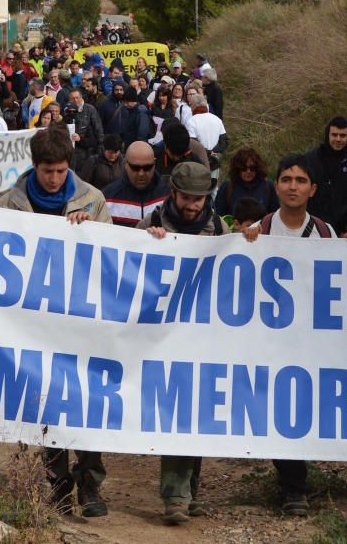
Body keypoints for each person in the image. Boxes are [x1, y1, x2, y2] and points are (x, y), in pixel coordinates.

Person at [0, 125, 111, 517]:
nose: (55, 178)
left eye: (61, 171)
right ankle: (57, 481)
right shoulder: (7, 204)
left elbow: (112, 258)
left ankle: (91, 482)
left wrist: (89, 230)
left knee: (86, 401)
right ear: (34, 165)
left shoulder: (92, 200)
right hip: (33, 325)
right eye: (48, 171)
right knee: (47, 404)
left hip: (80, 322)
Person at [242, 153, 347, 516]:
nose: (292, 186)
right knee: (279, 408)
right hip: (269, 340)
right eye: (285, 179)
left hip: (310, 340)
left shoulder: (326, 234)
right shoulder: (259, 231)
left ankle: (298, 479)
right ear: (275, 185)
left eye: (300, 180)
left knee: (305, 407)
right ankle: (293, 488)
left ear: (313, 189)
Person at [137, 161, 229, 524]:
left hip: (204, 337)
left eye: (200, 198)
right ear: (173, 193)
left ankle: (190, 488)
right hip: (163, 336)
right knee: (176, 412)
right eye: (187, 197)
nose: (193, 205)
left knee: (198, 413)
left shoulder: (219, 227)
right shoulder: (151, 226)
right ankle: (175, 494)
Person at [304, 116, 347, 237]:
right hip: (311, 231)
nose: (338, 139)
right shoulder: (310, 159)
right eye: (334, 135)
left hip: (342, 235)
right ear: (327, 135)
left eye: (342, 136)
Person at [102, 141, 170, 227]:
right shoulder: (107, 197)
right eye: (135, 168)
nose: (141, 174)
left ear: (154, 164)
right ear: (125, 164)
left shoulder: (168, 196)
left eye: (147, 168)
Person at [214, 147, 280, 217]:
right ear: (237, 168)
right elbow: (218, 217)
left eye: (252, 168)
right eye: (243, 168)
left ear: (257, 168)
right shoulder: (227, 187)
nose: (248, 171)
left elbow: (275, 216)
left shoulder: (268, 186)